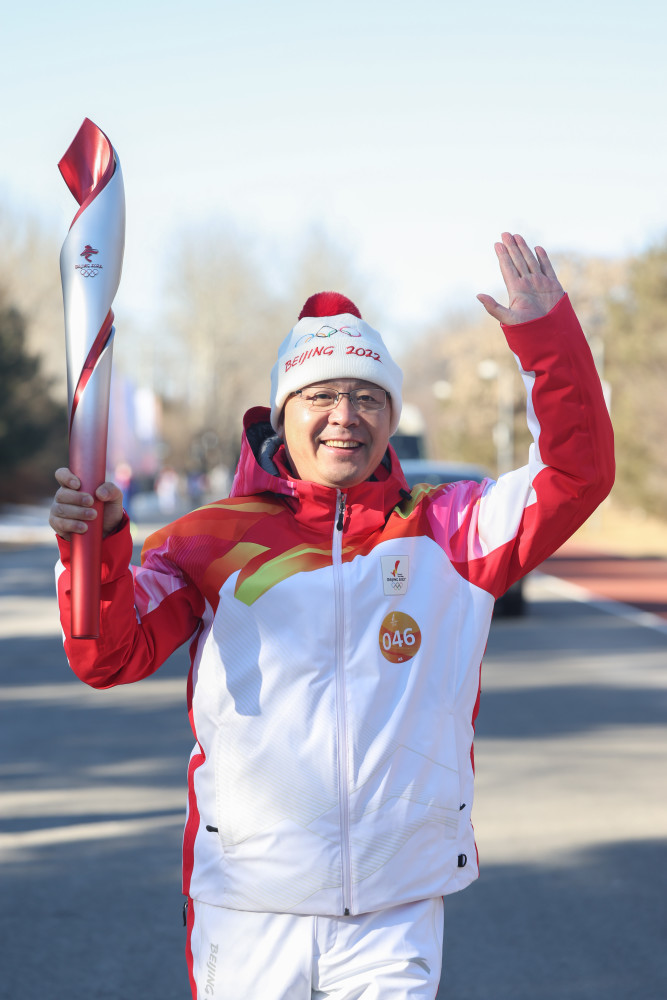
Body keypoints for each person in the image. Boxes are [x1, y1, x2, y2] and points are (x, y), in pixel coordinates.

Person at [50, 233, 614, 999]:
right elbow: (107, 655)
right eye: (320, 397)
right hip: (250, 902)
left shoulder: (453, 527)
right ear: (282, 414)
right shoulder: (211, 537)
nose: (344, 416)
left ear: (390, 417)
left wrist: (546, 341)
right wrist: (95, 550)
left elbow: (575, 474)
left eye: (368, 397)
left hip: (395, 903)